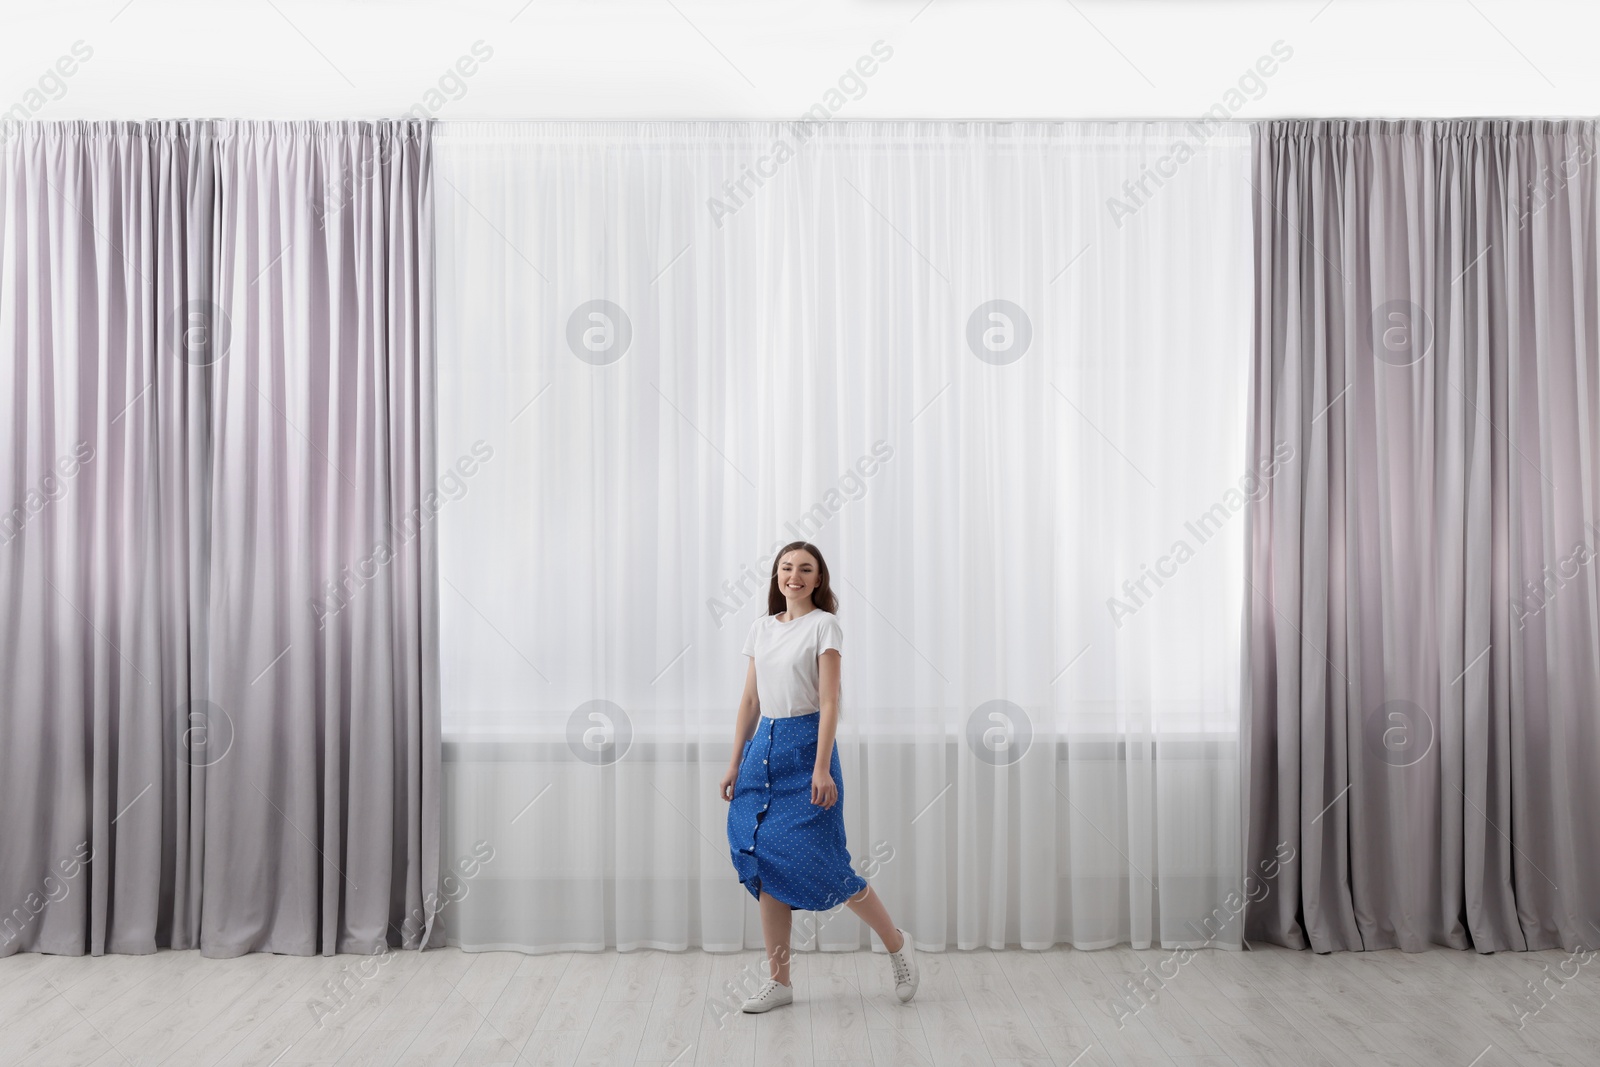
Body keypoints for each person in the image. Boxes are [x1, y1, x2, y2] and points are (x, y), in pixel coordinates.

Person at [720, 540, 918, 1012]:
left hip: (809, 750)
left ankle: (896, 944)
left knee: (828, 864)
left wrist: (822, 766)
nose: (795, 576)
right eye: (786, 568)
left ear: (818, 578)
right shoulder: (761, 629)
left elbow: (830, 701)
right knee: (765, 863)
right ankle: (780, 982)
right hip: (763, 750)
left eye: (805, 569)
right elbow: (750, 702)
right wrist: (734, 761)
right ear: (776, 576)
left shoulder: (825, 627)